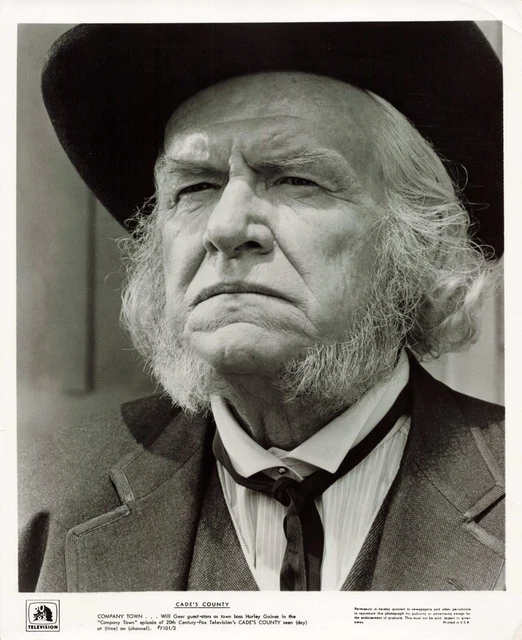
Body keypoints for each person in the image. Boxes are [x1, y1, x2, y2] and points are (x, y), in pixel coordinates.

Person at [19, 22, 504, 592]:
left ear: (418, 243)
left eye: (295, 179)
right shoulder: (39, 500)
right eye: (195, 188)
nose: (225, 228)